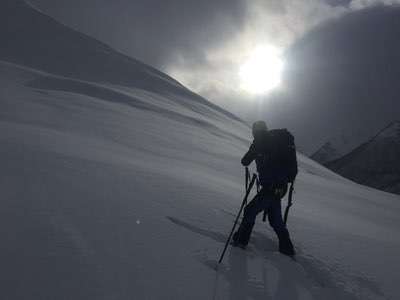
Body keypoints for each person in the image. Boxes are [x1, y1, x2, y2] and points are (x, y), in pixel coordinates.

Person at [232, 121, 296, 256]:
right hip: (280, 188)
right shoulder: (276, 141)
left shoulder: (260, 142)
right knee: (275, 219)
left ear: (255, 131)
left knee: (250, 210)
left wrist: (254, 150)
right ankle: (287, 249)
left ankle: (240, 241)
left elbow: (245, 161)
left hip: (270, 188)